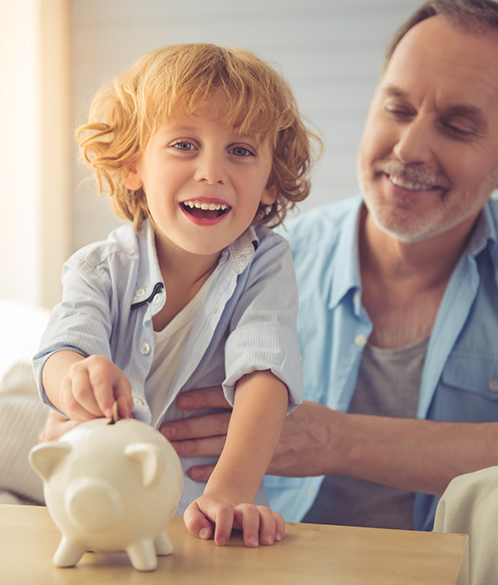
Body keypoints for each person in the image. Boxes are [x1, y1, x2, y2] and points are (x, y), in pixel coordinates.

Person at [147, 1, 498, 582]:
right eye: (396, 108)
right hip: (267, 568)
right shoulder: (256, 262)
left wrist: (337, 438)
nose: (407, 149)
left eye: (456, 126)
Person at [33, 43, 320, 548]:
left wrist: (229, 491)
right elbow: (61, 350)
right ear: (133, 166)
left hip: (213, 522)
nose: (212, 170)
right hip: (103, 511)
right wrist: (76, 379)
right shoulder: (99, 268)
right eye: (185, 145)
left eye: (241, 150)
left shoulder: (266, 265)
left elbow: (265, 374)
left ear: (271, 182)